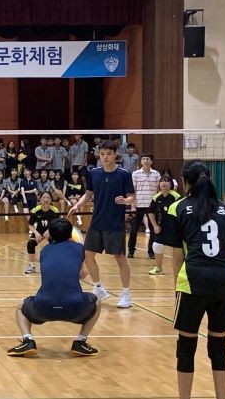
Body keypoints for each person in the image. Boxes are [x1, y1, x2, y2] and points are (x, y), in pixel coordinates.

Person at [154, 161, 225, 399]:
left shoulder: (178, 208)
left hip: (193, 281)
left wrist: (176, 286)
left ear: (184, 181)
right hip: (224, 282)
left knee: (186, 346)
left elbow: (177, 255)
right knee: (218, 347)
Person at [8, 218, 100, 358]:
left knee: (21, 307)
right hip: (74, 308)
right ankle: (80, 342)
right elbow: (82, 275)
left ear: (50, 234)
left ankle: (28, 340)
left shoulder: (44, 251)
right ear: (70, 233)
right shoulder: (79, 248)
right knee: (97, 301)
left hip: (43, 307)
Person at [69, 140, 135, 309]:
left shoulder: (124, 174)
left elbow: (132, 196)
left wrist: (125, 200)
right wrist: (77, 206)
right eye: (103, 154)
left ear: (115, 155)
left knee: (120, 258)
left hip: (115, 223)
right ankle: (98, 288)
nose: (105, 157)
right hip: (97, 221)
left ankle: (126, 294)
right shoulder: (94, 173)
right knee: (88, 255)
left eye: (109, 154)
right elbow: (88, 194)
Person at [129, 153, 161, 259]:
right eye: (143, 159)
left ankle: (151, 252)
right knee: (134, 229)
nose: (146, 160)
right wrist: (132, 204)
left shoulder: (156, 174)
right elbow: (132, 190)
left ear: (151, 161)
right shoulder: (135, 174)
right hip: (138, 205)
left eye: (148, 159)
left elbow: (159, 189)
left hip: (152, 206)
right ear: (141, 161)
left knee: (153, 230)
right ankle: (131, 251)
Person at [147, 177, 181, 276]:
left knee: (178, 248)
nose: (164, 183)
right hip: (162, 226)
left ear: (171, 184)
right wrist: (155, 225)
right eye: (162, 181)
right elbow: (150, 212)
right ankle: (158, 268)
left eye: (166, 181)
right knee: (157, 245)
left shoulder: (176, 197)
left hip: (175, 227)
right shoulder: (156, 197)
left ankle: (181, 269)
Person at [24, 192, 62, 275]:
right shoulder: (35, 210)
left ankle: (56, 265)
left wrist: (49, 231)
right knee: (30, 243)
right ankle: (31, 266)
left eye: (48, 198)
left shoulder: (55, 211)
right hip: (39, 231)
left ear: (51, 200)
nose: (46, 199)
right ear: (40, 200)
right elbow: (30, 225)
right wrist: (36, 233)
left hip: (51, 231)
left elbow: (57, 224)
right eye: (44, 197)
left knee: (57, 245)